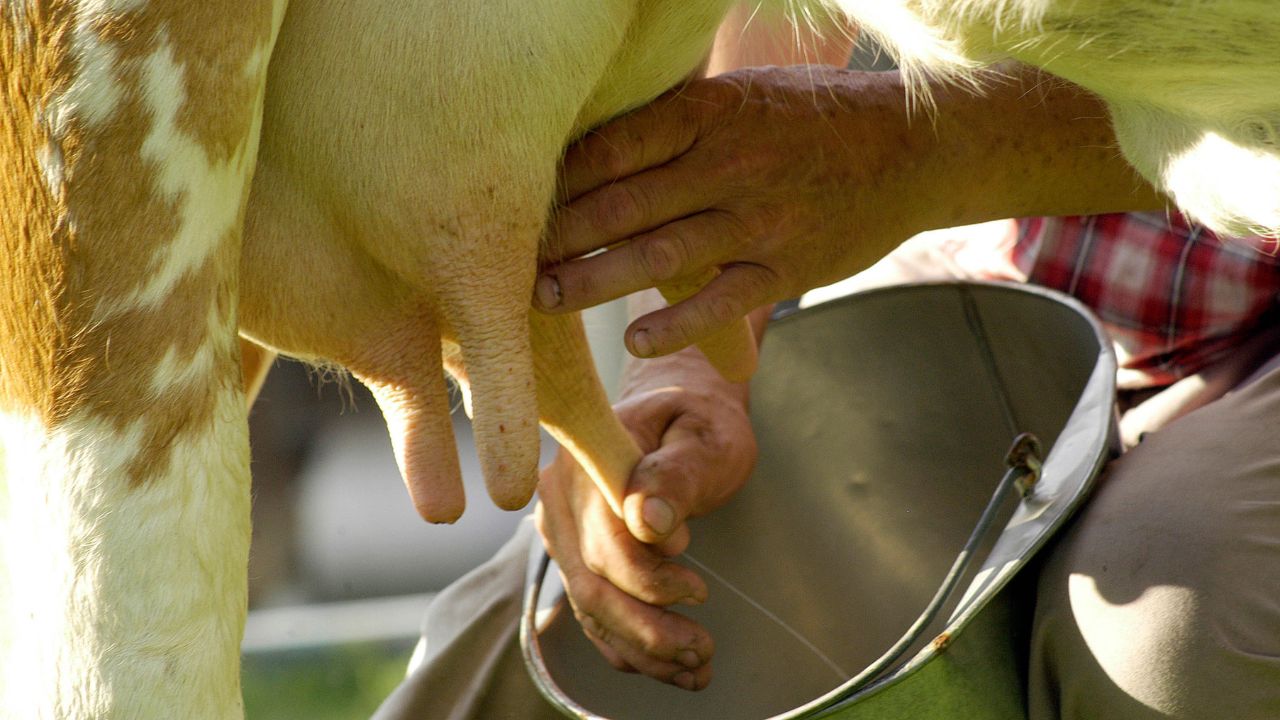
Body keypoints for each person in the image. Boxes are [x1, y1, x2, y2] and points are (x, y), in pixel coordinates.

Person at [377, 13, 1280, 720]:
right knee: (524, 629)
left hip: (1246, 305)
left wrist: (925, 151)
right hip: (1014, 244)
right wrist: (696, 353)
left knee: (1173, 631)